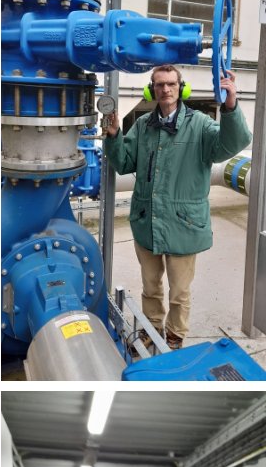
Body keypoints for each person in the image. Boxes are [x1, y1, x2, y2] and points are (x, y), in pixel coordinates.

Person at [102, 64, 250, 349]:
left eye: (171, 84)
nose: (165, 89)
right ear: (151, 89)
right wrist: (113, 136)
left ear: (181, 89)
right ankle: (150, 329)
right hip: (147, 220)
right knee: (151, 287)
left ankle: (174, 337)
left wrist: (230, 105)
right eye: (159, 85)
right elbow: (124, 162)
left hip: (184, 224)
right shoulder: (144, 125)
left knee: (180, 292)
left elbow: (231, 144)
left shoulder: (201, 125)